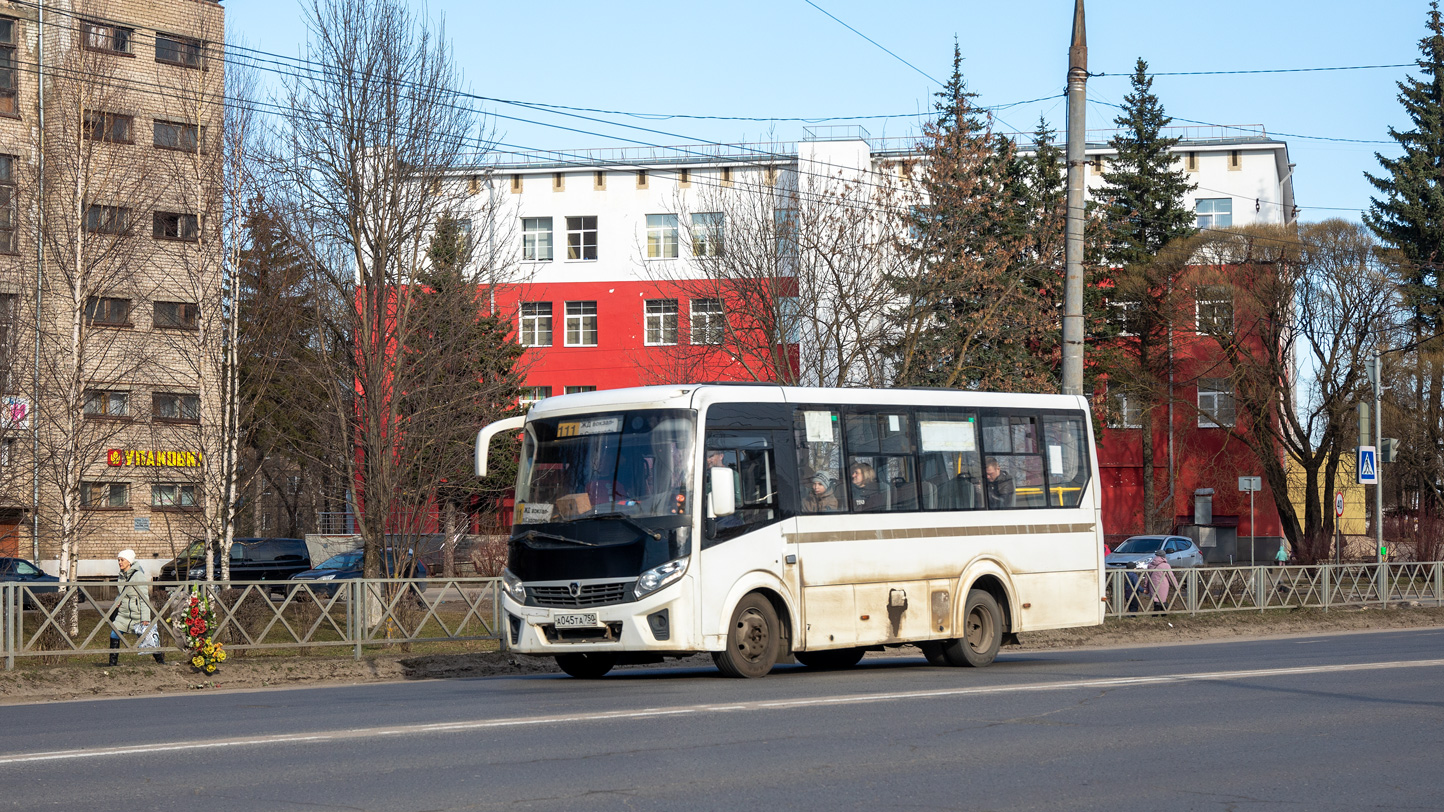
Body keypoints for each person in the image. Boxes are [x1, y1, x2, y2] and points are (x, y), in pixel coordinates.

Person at [108, 549, 164, 666]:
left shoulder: (138, 575)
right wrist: (117, 602)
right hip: (123, 614)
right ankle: (112, 664)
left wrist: (145, 618)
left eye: (122, 560)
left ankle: (160, 662)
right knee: (114, 634)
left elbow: (144, 597)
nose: (119, 562)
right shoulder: (122, 575)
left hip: (137, 614)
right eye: (118, 560)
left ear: (129, 561)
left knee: (149, 639)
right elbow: (121, 593)